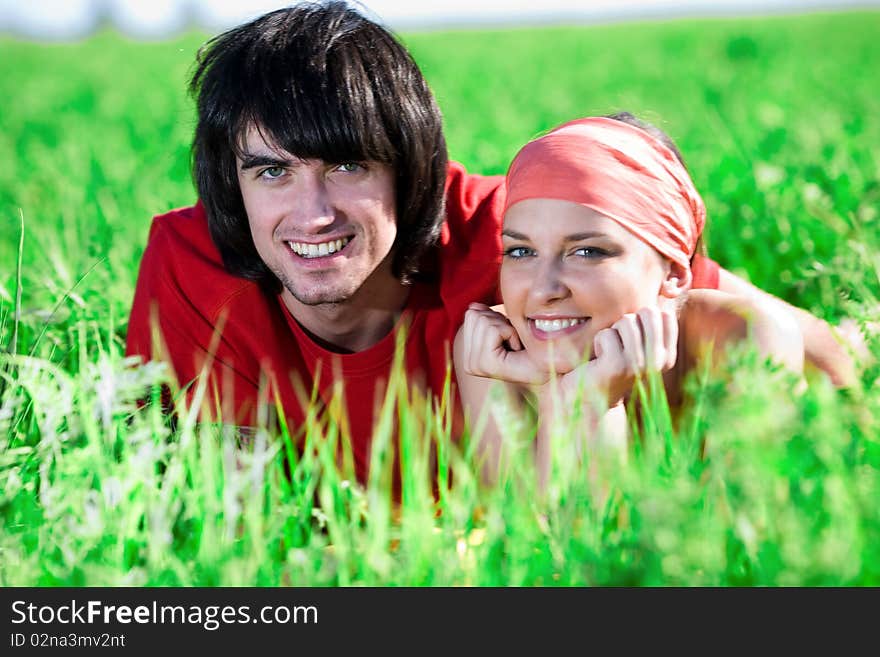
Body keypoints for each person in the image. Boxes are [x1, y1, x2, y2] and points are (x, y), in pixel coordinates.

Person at [125, 2, 858, 488]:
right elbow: (231, 517)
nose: (312, 213)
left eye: (348, 165)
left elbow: (732, 304)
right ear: (232, 181)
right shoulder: (193, 266)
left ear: (415, 171)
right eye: (272, 171)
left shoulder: (521, 237)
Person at [454, 114, 805, 489]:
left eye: (586, 251)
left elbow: (744, 537)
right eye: (522, 251)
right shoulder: (494, 353)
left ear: (673, 271)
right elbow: (545, 543)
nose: (544, 290)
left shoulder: (745, 339)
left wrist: (591, 403)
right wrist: (578, 403)